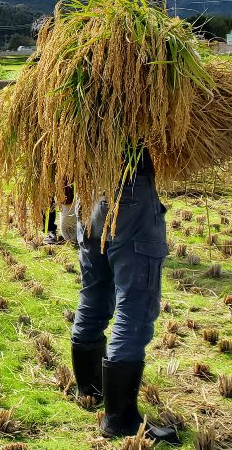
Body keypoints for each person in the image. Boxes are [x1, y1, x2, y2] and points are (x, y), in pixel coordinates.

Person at [71, 148, 179, 444]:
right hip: (129, 188)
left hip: (90, 186)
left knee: (93, 294)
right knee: (135, 307)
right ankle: (120, 418)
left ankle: (90, 389)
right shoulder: (134, 119)